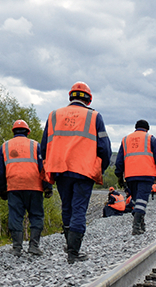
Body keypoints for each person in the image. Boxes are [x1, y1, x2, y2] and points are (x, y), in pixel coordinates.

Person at [40, 81, 111, 263]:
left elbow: (44, 147)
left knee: (67, 207)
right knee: (79, 209)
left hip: (60, 169)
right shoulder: (94, 116)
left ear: (70, 97)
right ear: (89, 99)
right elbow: (104, 148)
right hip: (84, 170)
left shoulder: (54, 115)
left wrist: (49, 169)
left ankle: (70, 244)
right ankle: (73, 251)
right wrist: (99, 169)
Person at [0, 119, 51, 255]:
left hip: (14, 187)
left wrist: (2, 189)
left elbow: (0, 171)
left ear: (13, 131)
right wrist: (48, 186)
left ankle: (17, 248)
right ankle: (34, 246)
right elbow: (43, 167)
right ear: (28, 132)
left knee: (15, 216)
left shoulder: (5, 146)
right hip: (34, 186)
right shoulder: (35, 145)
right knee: (36, 216)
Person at [115, 120, 156, 235]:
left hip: (130, 176)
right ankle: (136, 227)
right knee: (142, 201)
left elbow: (119, 160)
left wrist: (119, 175)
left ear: (136, 128)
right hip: (146, 174)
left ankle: (141, 224)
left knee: (136, 200)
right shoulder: (150, 138)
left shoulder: (125, 139)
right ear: (147, 129)